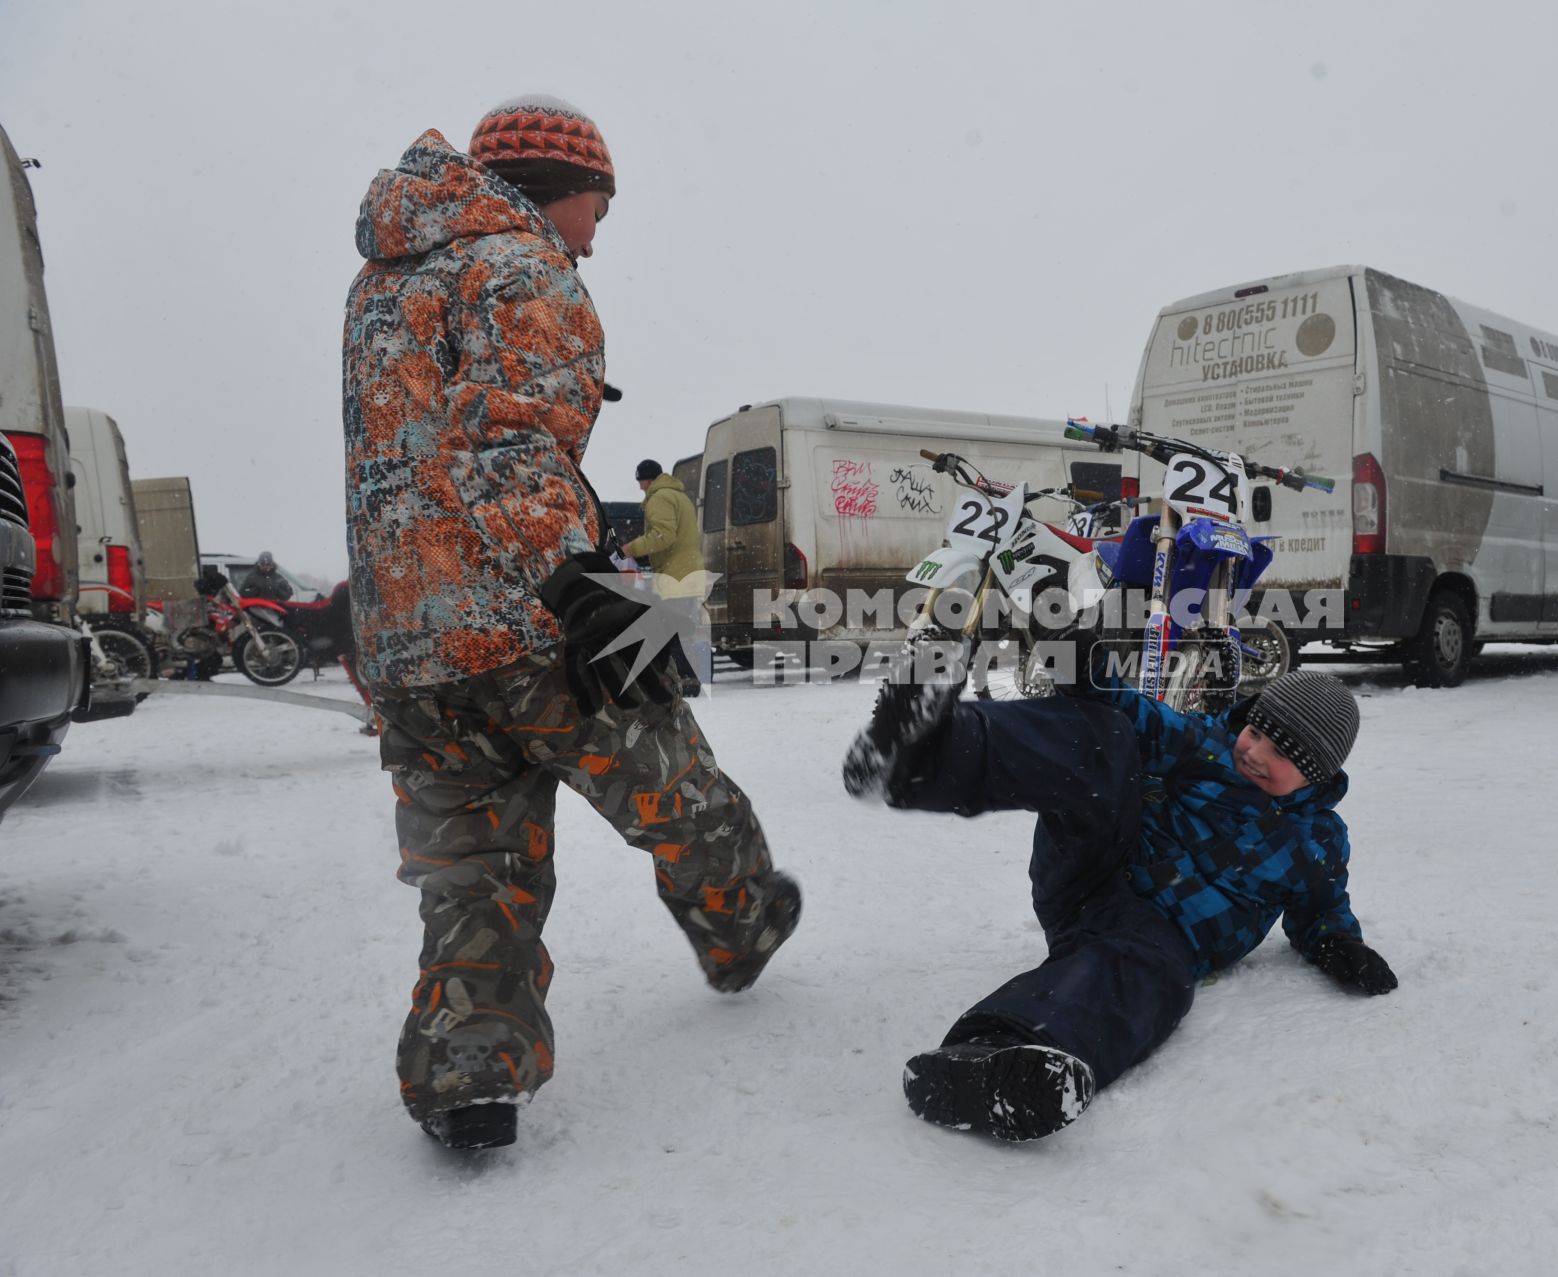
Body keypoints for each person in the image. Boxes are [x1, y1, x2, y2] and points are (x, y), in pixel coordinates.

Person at [343, 95, 800, 1151]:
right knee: (678, 785)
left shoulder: (379, 285)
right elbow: (504, 449)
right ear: (565, 189)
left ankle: (468, 1058)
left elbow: (409, 460)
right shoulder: (520, 263)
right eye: (602, 203)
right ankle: (745, 923)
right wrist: (578, 589)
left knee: (473, 867)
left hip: (412, 641)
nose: (599, 230)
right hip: (523, 621)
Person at [843, 656, 1396, 1142]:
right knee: (1107, 740)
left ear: (1316, 774)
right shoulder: (1205, 747)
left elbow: (1322, 906)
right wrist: (1087, 667)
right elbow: (1135, 712)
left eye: (1280, 752)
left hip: (1163, 937)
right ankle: (923, 755)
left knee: (1154, 974)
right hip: (1094, 873)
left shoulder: (1318, 843)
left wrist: (1337, 942)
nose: (1253, 751)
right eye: (1255, 731)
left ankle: (993, 1057)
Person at [624, 459, 705, 599]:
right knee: (685, 620)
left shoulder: (659, 498)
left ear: (648, 481)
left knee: (671, 620)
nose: (640, 487)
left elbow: (663, 536)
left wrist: (631, 549)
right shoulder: (681, 497)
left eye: (640, 482)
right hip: (691, 575)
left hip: (674, 579)